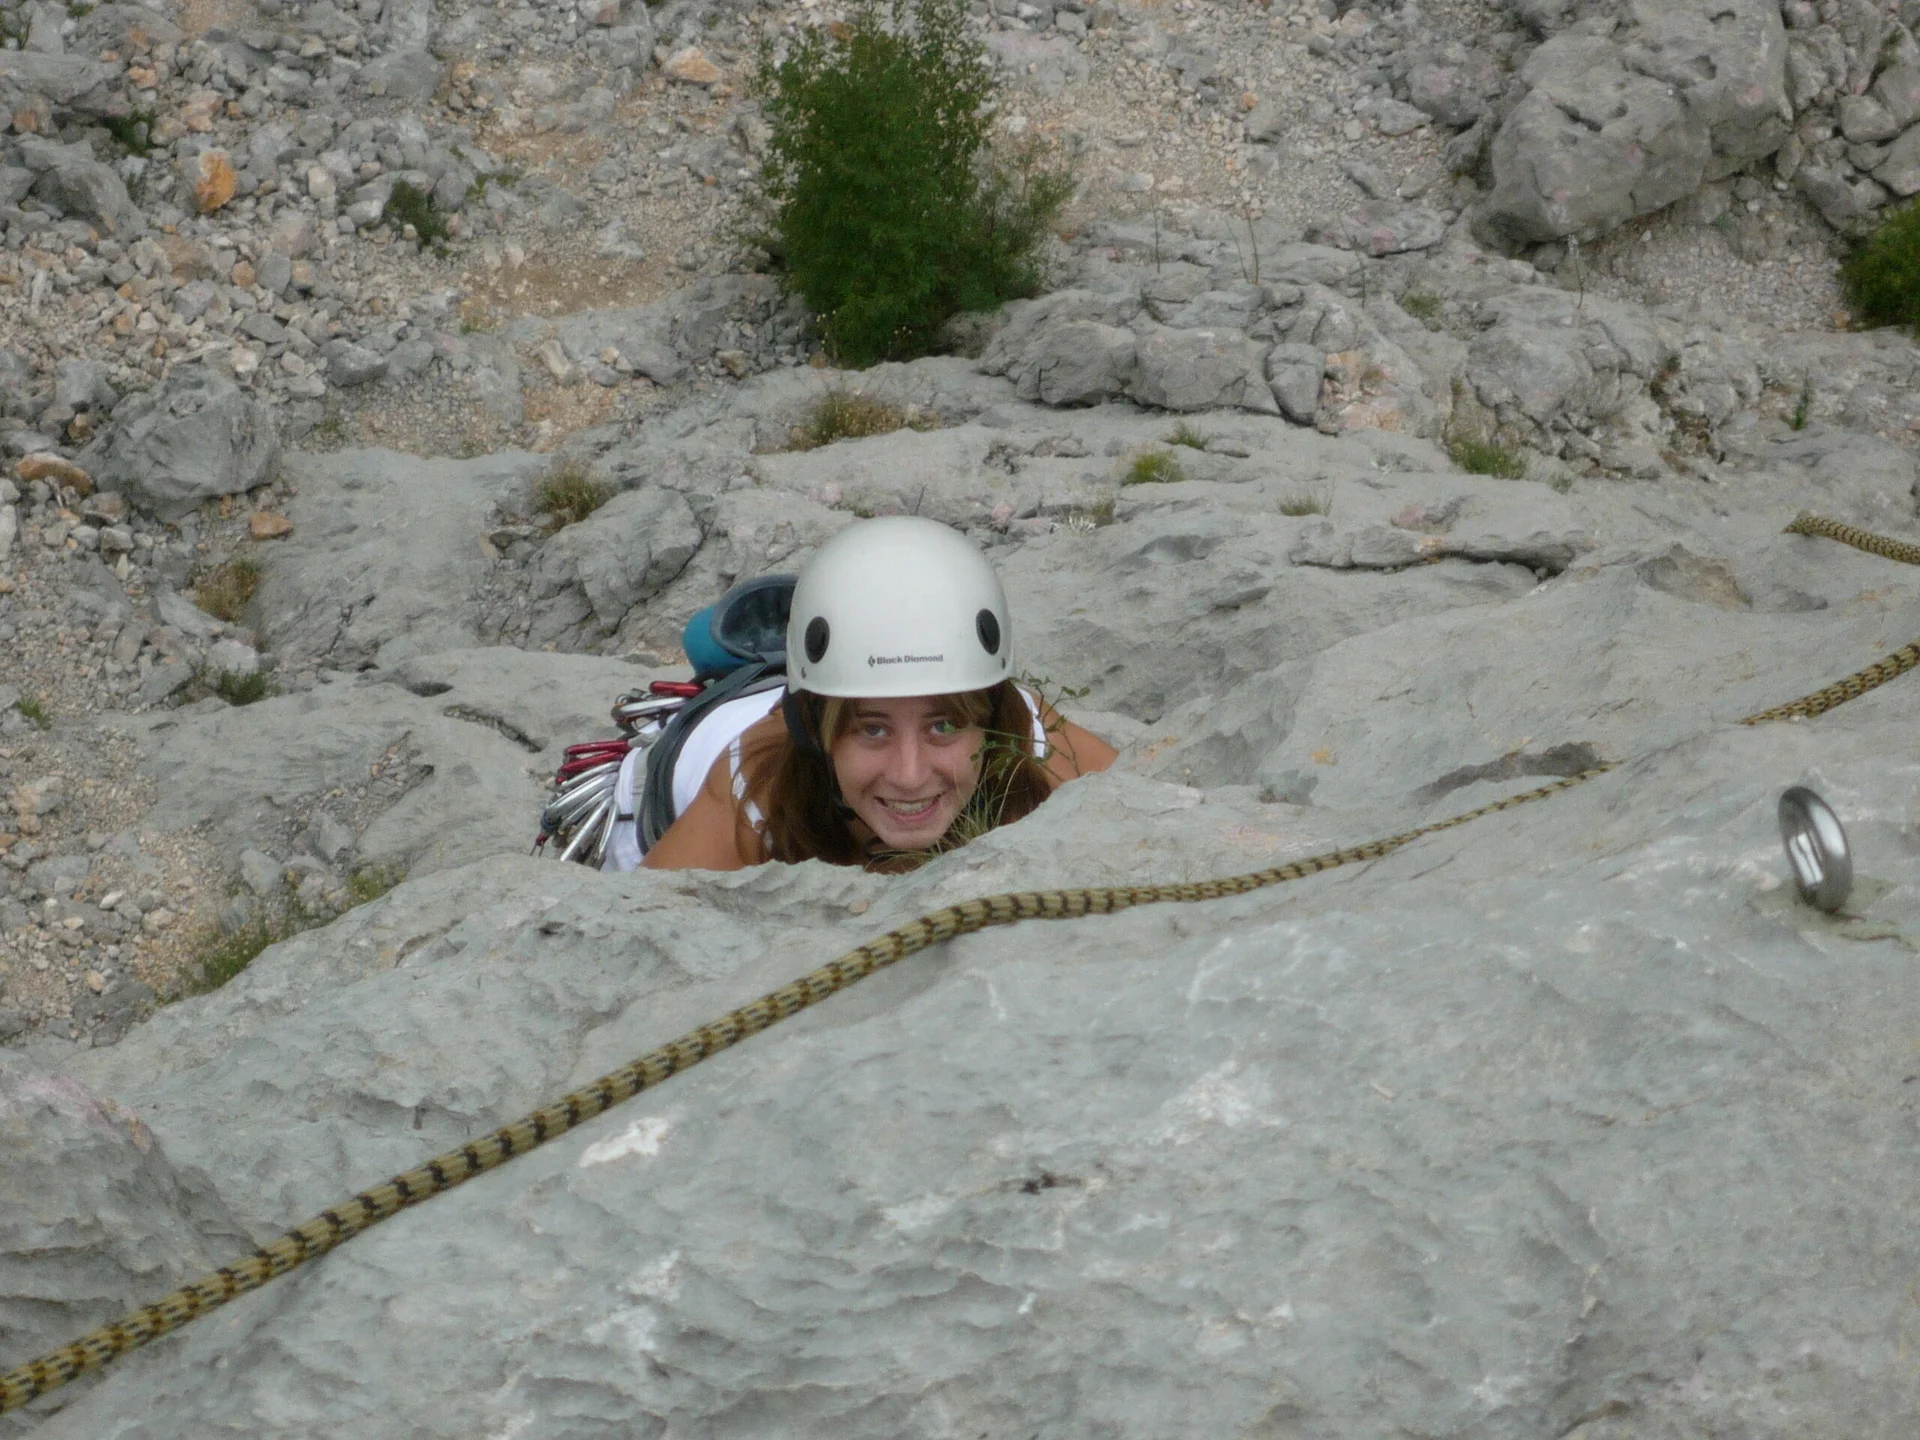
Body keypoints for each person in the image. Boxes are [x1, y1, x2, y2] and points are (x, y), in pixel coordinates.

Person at [643, 516, 1117, 871]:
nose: (909, 776)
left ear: (992, 722)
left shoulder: (1040, 750)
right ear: (812, 732)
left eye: (943, 725)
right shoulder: (755, 791)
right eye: (871, 729)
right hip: (708, 734)